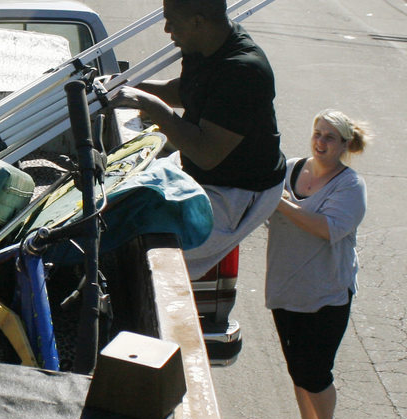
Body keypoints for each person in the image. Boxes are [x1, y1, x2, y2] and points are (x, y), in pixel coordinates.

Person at [109, 0, 287, 277]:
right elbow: (187, 91)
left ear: (198, 21)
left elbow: (205, 154)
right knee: (118, 205)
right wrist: (120, 86)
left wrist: (150, 104)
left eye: (171, 20)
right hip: (202, 170)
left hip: (237, 192)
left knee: (149, 251)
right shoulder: (204, 46)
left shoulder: (244, 70)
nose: (167, 29)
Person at [270, 109, 369, 419]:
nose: (321, 141)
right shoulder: (291, 170)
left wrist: (279, 201)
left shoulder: (350, 186)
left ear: (345, 145)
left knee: (315, 370)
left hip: (327, 292)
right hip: (285, 286)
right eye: (317, 132)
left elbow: (327, 228)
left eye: (330, 137)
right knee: (298, 370)